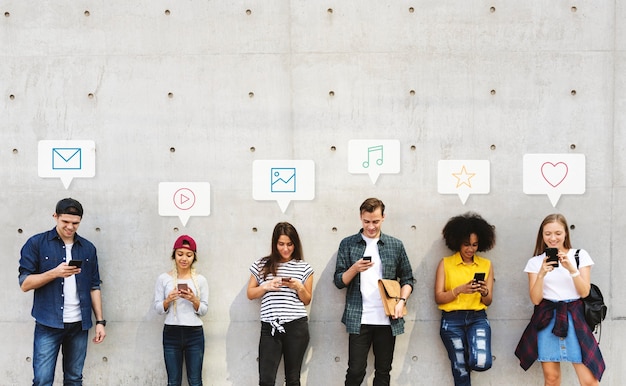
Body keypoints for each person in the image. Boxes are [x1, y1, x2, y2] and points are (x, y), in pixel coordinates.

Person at [18, 198, 106, 386]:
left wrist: (100, 321)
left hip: (79, 325)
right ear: (55, 216)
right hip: (48, 322)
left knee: (74, 379)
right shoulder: (37, 243)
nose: (70, 227)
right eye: (65, 221)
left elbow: (94, 286)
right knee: (42, 380)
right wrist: (54, 273)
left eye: (75, 223)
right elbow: (25, 283)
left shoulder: (88, 248)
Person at [515, 214, 605, 385]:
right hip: (547, 318)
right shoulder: (535, 262)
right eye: (547, 233)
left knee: (589, 381)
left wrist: (572, 269)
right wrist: (541, 274)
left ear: (565, 234)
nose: (553, 238)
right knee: (551, 379)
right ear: (542, 235)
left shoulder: (579, 255)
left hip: (575, 317)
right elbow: (535, 299)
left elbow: (585, 292)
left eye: (558, 233)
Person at [334, 198, 414, 386]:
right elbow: (339, 281)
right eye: (367, 221)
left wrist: (401, 302)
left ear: (383, 218)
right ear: (361, 218)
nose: (371, 226)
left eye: (375, 221)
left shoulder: (395, 245)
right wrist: (354, 269)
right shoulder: (348, 244)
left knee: (383, 372)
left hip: (388, 318)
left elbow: (408, 279)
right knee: (355, 371)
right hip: (359, 318)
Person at [247, 222, 314, 386]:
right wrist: (266, 286)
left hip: (296, 326)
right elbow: (250, 293)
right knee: (266, 380)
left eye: (290, 244)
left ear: (295, 244)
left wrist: (298, 286)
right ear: (275, 244)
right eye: (281, 244)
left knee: (293, 379)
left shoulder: (304, 267)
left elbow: (307, 300)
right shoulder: (262, 265)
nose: (285, 249)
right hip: (270, 326)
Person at [434, 212, 496, 386]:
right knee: (460, 370)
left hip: (478, 318)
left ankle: (468, 349)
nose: (471, 249)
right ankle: (462, 355)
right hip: (452, 320)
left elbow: (489, 301)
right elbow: (439, 298)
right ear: (457, 242)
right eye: (466, 244)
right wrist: (460, 289)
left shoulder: (486, 265)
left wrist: (484, 292)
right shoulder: (445, 263)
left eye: (475, 245)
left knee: (481, 362)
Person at [154, 235, 209, 386]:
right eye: (180, 254)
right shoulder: (164, 279)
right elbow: (158, 309)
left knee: (195, 381)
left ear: (194, 257)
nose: (184, 258)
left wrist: (193, 299)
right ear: (174, 255)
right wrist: (168, 300)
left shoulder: (201, 280)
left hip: (195, 333)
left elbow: (204, 310)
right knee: (173, 381)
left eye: (189, 255)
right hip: (171, 333)